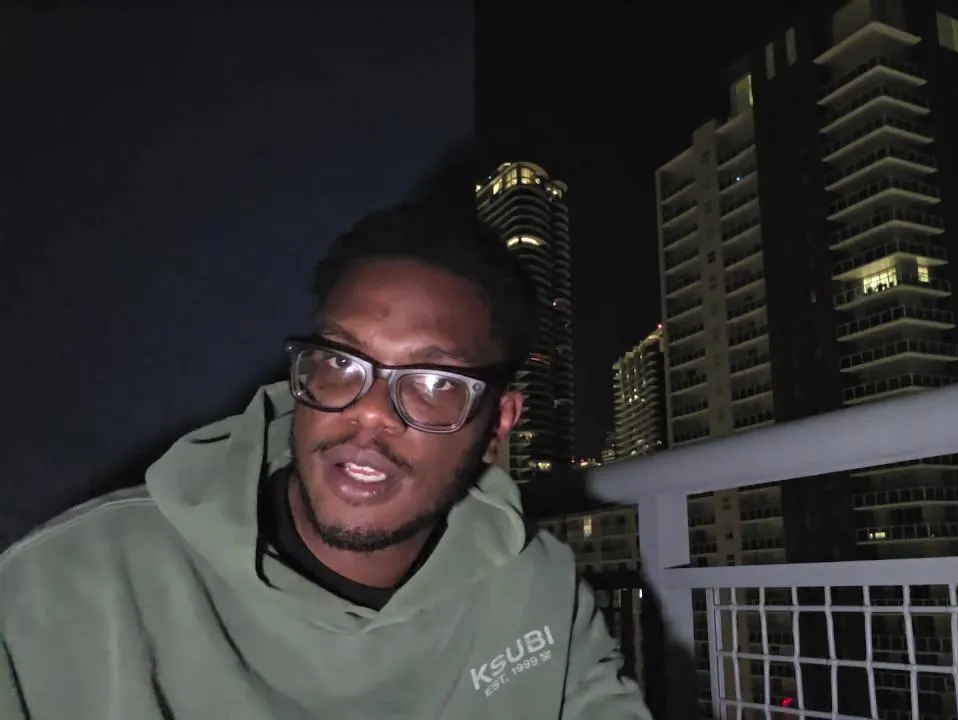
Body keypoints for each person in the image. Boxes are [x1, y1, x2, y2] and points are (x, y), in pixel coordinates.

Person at [0, 157, 652, 719]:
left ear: (497, 426)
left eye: (433, 382)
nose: (368, 413)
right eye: (342, 360)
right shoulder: (74, 583)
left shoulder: (538, 589)